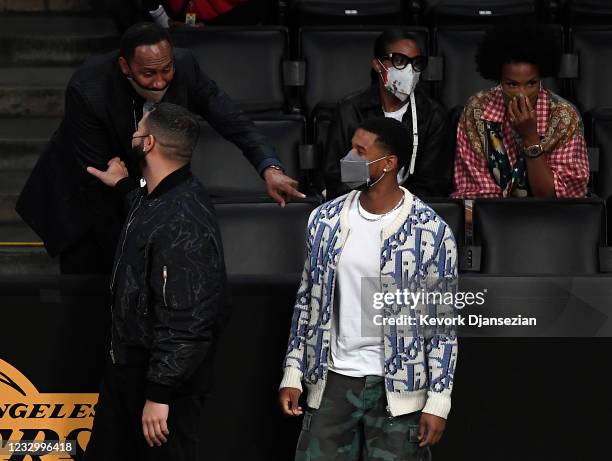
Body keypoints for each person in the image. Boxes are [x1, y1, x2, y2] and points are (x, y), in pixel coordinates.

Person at [16, 21, 303, 274]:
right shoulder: (89, 88)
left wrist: (270, 168)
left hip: (140, 191)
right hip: (86, 203)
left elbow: (234, 121)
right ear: (125, 67)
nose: (160, 81)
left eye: (166, 69)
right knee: (94, 301)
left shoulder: (186, 66)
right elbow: (101, 176)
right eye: (149, 74)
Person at [279, 117, 458, 460]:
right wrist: (293, 371)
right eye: (351, 147)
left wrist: (439, 400)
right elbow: (307, 303)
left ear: (388, 164)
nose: (349, 157)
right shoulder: (325, 220)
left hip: (398, 390)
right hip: (333, 378)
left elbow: (441, 325)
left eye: (360, 151)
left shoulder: (430, 232)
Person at [82, 103, 227, 461]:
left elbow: (188, 319)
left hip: (161, 388)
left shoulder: (182, 219)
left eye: (138, 130)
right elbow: (148, 209)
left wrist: (159, 394)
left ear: (147, 144)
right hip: (130, 373)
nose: (133, 134)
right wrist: (123, 184)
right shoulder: (159, 196)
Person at [451, 24, 590, 199]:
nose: (522, 94)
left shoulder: (564, 116)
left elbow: (555, 199)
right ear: (499, 81)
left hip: (552, 219)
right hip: (492, 219)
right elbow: (476, 194)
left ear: (540, 79)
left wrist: (530, 138)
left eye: (531, 83)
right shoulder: (477, 109)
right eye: (512, 84)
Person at [324, 29, 452, 200]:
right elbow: (338, 178)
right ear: (378, 64)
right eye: (399, 61)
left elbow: (432, 184)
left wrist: (395, 207)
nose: (409, 70)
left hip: (411, 212)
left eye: (416, 63)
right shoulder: (350, 111)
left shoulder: (432, 116)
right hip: (357, 207)